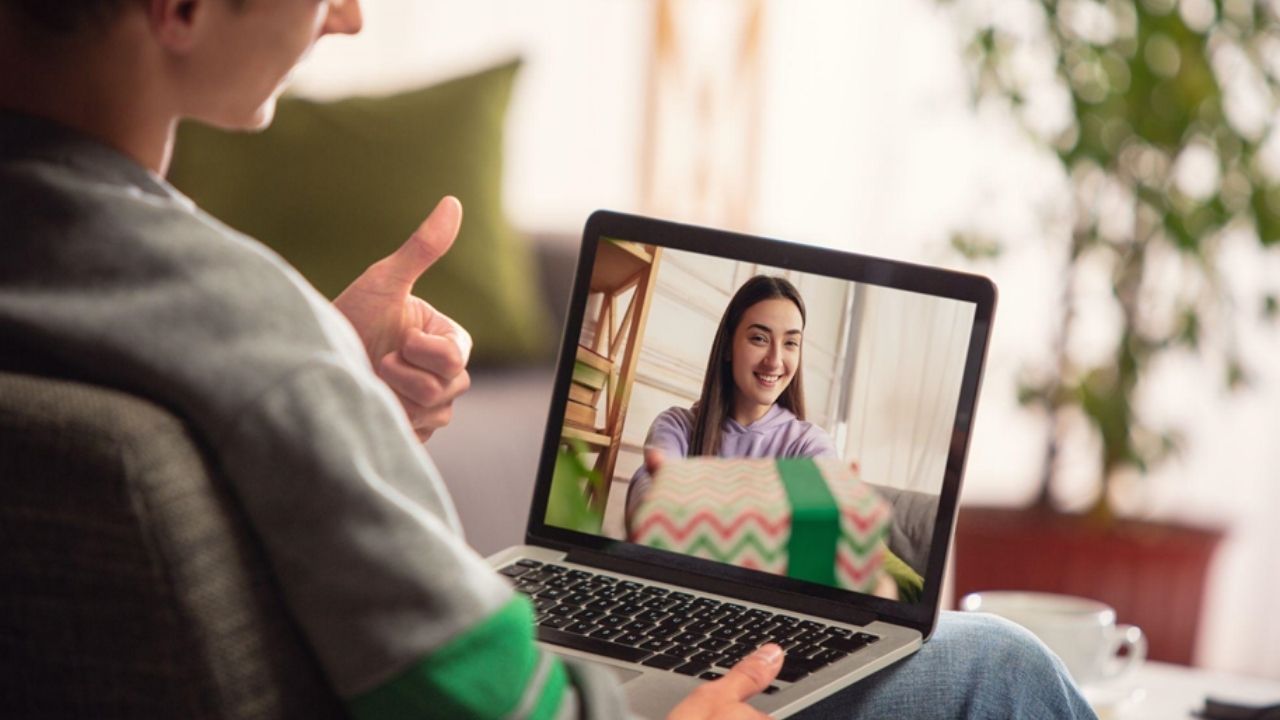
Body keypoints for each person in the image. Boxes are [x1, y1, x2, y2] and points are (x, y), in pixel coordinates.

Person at [0, 1, 1098, 718]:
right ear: (180, 8)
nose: (347, 15)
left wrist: (333, 384)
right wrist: (305, 377)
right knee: (994, 667)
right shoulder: (251, 337)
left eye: (789, 345)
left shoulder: (133, 301)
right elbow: (488, 690)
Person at [625, 275, 837, 521]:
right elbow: (649, 508)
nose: (775, 361)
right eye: (759, 338)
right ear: (727, 345)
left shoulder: (809, 445)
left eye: (791, 343)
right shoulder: (677, 427)